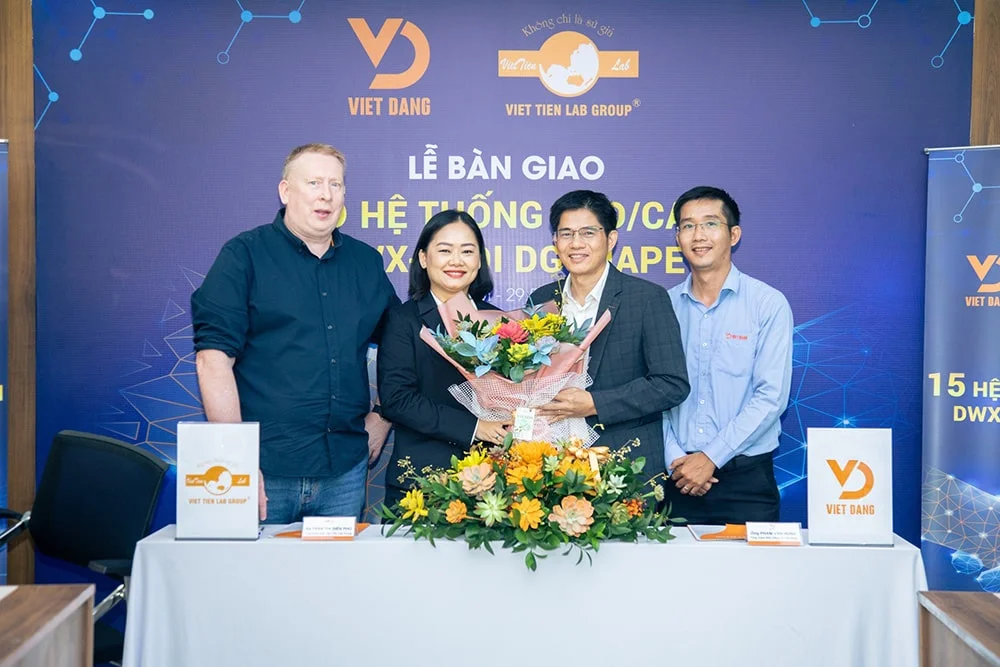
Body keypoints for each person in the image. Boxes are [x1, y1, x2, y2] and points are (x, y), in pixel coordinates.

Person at [192, 143, 398, 524]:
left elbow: (400, 345)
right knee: (253, 567)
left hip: (344, 473)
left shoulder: (365, 263)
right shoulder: (244, 256)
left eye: (335, 184)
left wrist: (384, 414)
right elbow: (212, 361)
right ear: (286, 191)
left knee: (339, 568)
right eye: (314, 183)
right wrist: (236, 462)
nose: (326, 195)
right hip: (264, 472)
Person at [531, 190, 690, 481]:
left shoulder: (646, 298)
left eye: (588, 232)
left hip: (624, 466)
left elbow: (671, 384)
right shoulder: (541, 300)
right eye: (566, 233)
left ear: (611, 239)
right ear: (555, 241)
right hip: (551, 465)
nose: (576, 243)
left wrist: (595, 403)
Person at [663, 185, 793, 524]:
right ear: (678, 238)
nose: (698, 235)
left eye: (710, 224)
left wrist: (710, 457)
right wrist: (675, 458)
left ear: (734, 235)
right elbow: (654, 393)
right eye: (688, 225)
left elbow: (771, 397)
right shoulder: (663, 307)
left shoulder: (767, 304)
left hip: (745, 483)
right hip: (674, 478)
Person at [377, 210, 510, 509]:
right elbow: (397, 400)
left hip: (491, 484)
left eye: (467, 251)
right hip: (422, 483)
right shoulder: (403, 319)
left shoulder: (501, 321)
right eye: (445, 250)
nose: (456, 261)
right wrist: (475, 427)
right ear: (424, 258)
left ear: (479, 261)